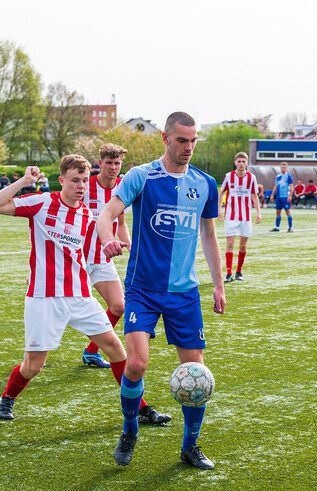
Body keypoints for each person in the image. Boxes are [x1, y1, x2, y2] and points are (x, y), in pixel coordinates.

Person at [98, 111, 225, 470]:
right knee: (136, 363)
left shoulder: (205, 183)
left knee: (196, 375)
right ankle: (129, 430)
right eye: (182, 140)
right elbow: (105, 215)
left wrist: (218, 284)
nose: (189, 147)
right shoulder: (142, 176)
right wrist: (108, 241)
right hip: (143, 288)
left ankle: (190, 447)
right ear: (166, 139)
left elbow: (209, 235)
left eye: (194, 140)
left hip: (184, 293)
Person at [0, 155, 136, 422]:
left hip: (80, 295)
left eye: (83, 181)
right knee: (34, 366)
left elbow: (104, 233)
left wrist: (113, 243)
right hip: (44, 298)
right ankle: (7, 398)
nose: (81, 186)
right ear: (62, 180)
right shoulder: (42, 202)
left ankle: (139, 409)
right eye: (75, 180)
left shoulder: (87, 214)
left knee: (116, 350)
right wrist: (25, 181)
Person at [79, 143, 172, 424]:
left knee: (119, 305)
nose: (113, 167)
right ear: (100, 163)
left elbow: (120, 223)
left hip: (102, 260)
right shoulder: (84, 185)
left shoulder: (122, 187)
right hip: (79, 261)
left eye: (117, 163)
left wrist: (132, 246)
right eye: (108, 163)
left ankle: (90, 352)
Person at [219, 151, 261, 282]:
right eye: (239, 161)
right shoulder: (228, 176)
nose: (241, 164)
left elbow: (254, 195)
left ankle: (239, 271)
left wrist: (259, 212)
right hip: (230, 216)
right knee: (230, 243)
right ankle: (228, 273)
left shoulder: (252, 178)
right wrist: (219, 208)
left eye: (243, 161)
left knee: (243, 246)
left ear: (247, 163)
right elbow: (222, 192)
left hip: (246, 217)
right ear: (235, 162)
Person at [270, 162, 294, 232]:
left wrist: (290, 196)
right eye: (282, 167)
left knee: (287, 211)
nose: (283, 169)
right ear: (280, 168)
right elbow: (276, 186)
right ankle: (277, 227)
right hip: (278, 197)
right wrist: (272, 194)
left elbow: (291, 186)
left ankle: (290, 228)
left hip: (285, 197)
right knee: (278, 212)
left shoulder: (289, 176)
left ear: (287, 168)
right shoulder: (278, 176)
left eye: (284, 167)